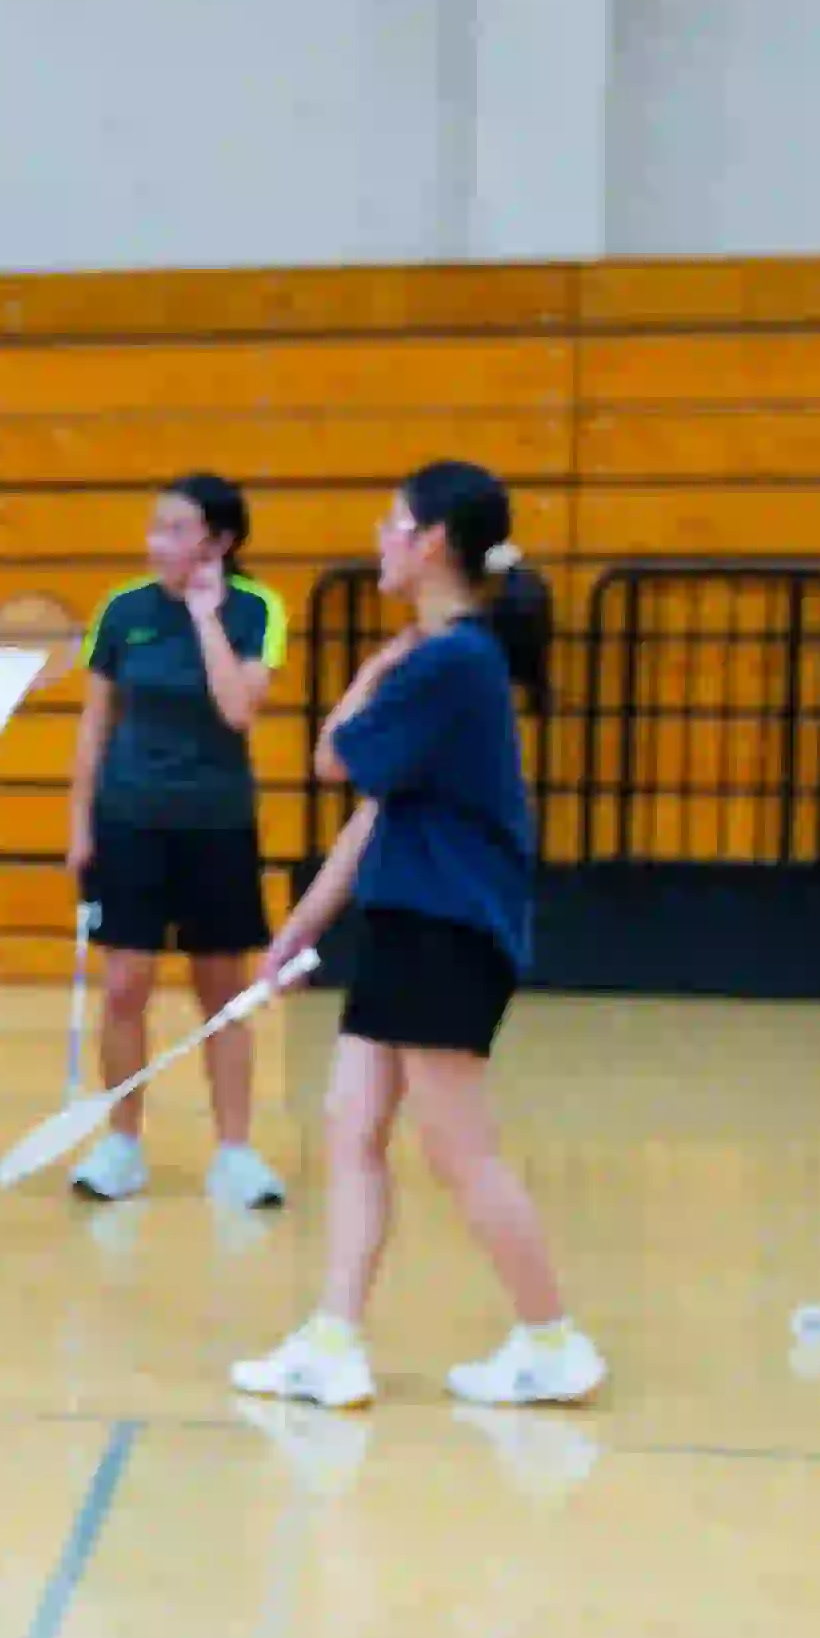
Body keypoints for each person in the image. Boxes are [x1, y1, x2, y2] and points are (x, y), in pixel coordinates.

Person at [231, 460, 603, 1412]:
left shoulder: (448, 661)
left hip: (448, 932)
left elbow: (332, 760)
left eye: (393, 523)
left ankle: (553, 1340)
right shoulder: (452, 661)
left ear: (432, 541)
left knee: (458, 1150)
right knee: (350, 1128)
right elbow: (378, 813)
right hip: (409, 924)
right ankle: (333, 1341)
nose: (380, 538)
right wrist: (302, 928)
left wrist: (370, 669)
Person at [65, 472, 291, 1209]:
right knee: (125, 986)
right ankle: (122, 1144)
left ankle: (234, 1153)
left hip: (217, 825)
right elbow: (96, 724)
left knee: (222, 994)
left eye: (176, 529)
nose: (157, 541)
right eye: (154, 526)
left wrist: (204, 617)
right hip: (129, 821)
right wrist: (79, 824)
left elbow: (237, 709)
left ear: (219, 542)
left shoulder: (256, 609)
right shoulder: (122, 611)